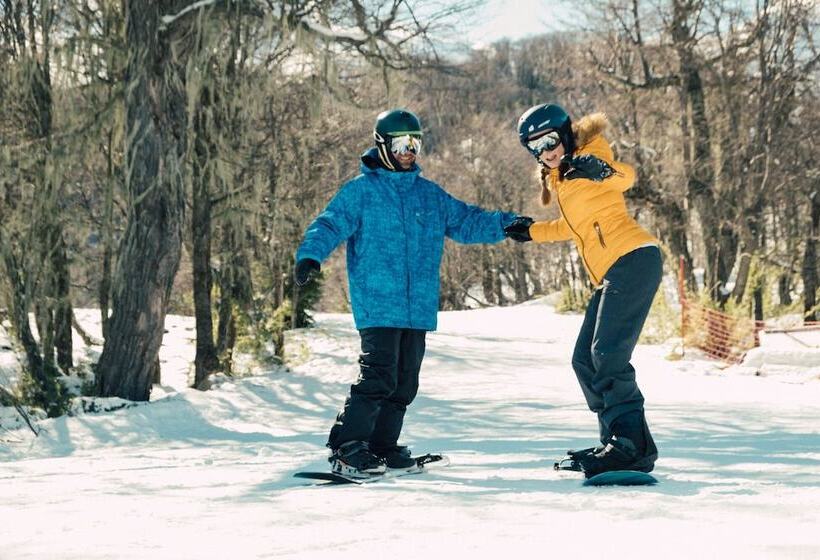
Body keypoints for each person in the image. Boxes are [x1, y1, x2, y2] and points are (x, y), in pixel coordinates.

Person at [294, 108, 527, 478]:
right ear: (382, 145)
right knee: (378, 377)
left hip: (417, 306)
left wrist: (507, 224)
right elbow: (329, 223)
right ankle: (347, 446)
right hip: (378, 302)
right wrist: (310, 255)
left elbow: (466, 220)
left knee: (404, 382)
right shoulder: (362, 191)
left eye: (415, 143)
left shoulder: (428, 195)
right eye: (401, 143)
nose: (409, 151)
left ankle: (382, 446)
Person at [504, 103, 661, 478]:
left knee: (607, 354)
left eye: (550, 140)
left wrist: (601, 169)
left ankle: (630, 446)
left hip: (634, 258)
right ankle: (615, 441)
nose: (545, 151)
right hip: (612, 271)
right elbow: (570, 228)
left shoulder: (592, 155)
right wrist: (531, 231)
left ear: (565, 133)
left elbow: (624, 178)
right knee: (584, 359)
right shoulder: (561, 179)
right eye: (535, 146)